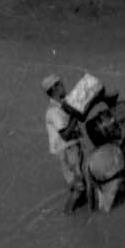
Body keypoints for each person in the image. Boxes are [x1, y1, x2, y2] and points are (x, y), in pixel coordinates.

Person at [43, 74, 90, 212]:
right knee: (79, 188)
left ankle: (78, 215)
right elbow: (65, 135)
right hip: (68, 151)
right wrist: (76, 115)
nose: (64, 87)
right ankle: (68, 213)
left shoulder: (63, 106)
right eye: (61, 85)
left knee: (82, 184)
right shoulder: (54, 111)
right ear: (55, 88)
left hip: (73, 148)